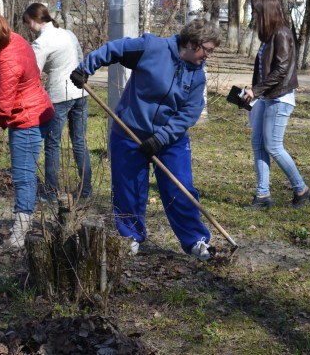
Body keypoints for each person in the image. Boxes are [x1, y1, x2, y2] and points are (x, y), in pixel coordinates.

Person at [70, 18, 220, 261]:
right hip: (129, 131)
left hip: (170, 140)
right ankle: (131, 237)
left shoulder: (197, 75)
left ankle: (195, 240)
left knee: (180, 189)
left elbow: (189, 113)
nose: (208, 56)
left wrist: (161, 138)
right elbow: (113, 50)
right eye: (208, 50)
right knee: (128, 188)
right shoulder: (152, 48)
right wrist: (86, 67)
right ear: (193, 44)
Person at [0, 13, 54, 248]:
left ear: (0, 37)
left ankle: (20, 234)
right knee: (25, 175)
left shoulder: (8, 62)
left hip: (26, 119)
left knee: (23, 177)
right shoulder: (14, 39)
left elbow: (1, 108)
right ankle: (24, 226)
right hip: (34, 108)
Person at [241, 0, 310, 210]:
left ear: (266, 12)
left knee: (273, 146)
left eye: (256, 12)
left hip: (280, 98)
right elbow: (264, 69)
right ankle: (262, 196)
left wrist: (256, 90)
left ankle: (301, 189)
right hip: (267, 97)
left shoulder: (281, 33)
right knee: (258, 144)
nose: (254, 16)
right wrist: (253, 92)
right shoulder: (270, 36)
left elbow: (281, 70)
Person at [22, 3, 92, 202]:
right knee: (79, 141)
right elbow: (80, 60)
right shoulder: (68, 34)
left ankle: (51, 192)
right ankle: (86, 189)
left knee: (52, 144)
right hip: (80, 92)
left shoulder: (41, 43)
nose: (29, 28)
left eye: (28, 24)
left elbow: (31, 72)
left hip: (59, 96)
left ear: (35, 21)